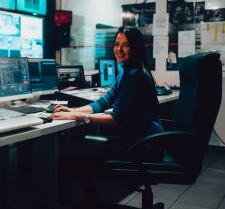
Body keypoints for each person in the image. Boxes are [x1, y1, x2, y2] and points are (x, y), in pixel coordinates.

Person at [51, 26, 163, 206]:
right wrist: (73, 111)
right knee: (78, 152)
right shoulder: (127, 71)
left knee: (71, 156)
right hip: (140, 137)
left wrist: (80, 117)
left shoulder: (135, 75)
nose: (119, 49)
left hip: (144, 143)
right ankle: (93, 199)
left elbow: (116, 118)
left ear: (135, 47)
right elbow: (103, 102)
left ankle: (88, 202)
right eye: (117, 44)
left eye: (125, 45)